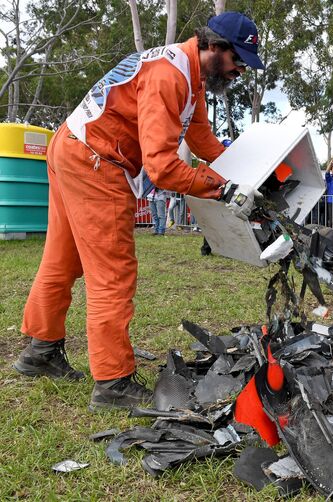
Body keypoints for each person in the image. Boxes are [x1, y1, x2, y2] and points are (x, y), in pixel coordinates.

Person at [13, 12, 265, 410]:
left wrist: (251, 172)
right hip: (98, 159)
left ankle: (40, 351)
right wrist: (221, 187)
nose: (238, 73)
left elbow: (202, 139)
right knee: (113, 273)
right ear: (214, 48)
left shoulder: (189, 77)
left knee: (63, 259)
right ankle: (113, 383)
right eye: (237, 62)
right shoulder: (170, 76)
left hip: (73, 145)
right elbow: (162, 167)